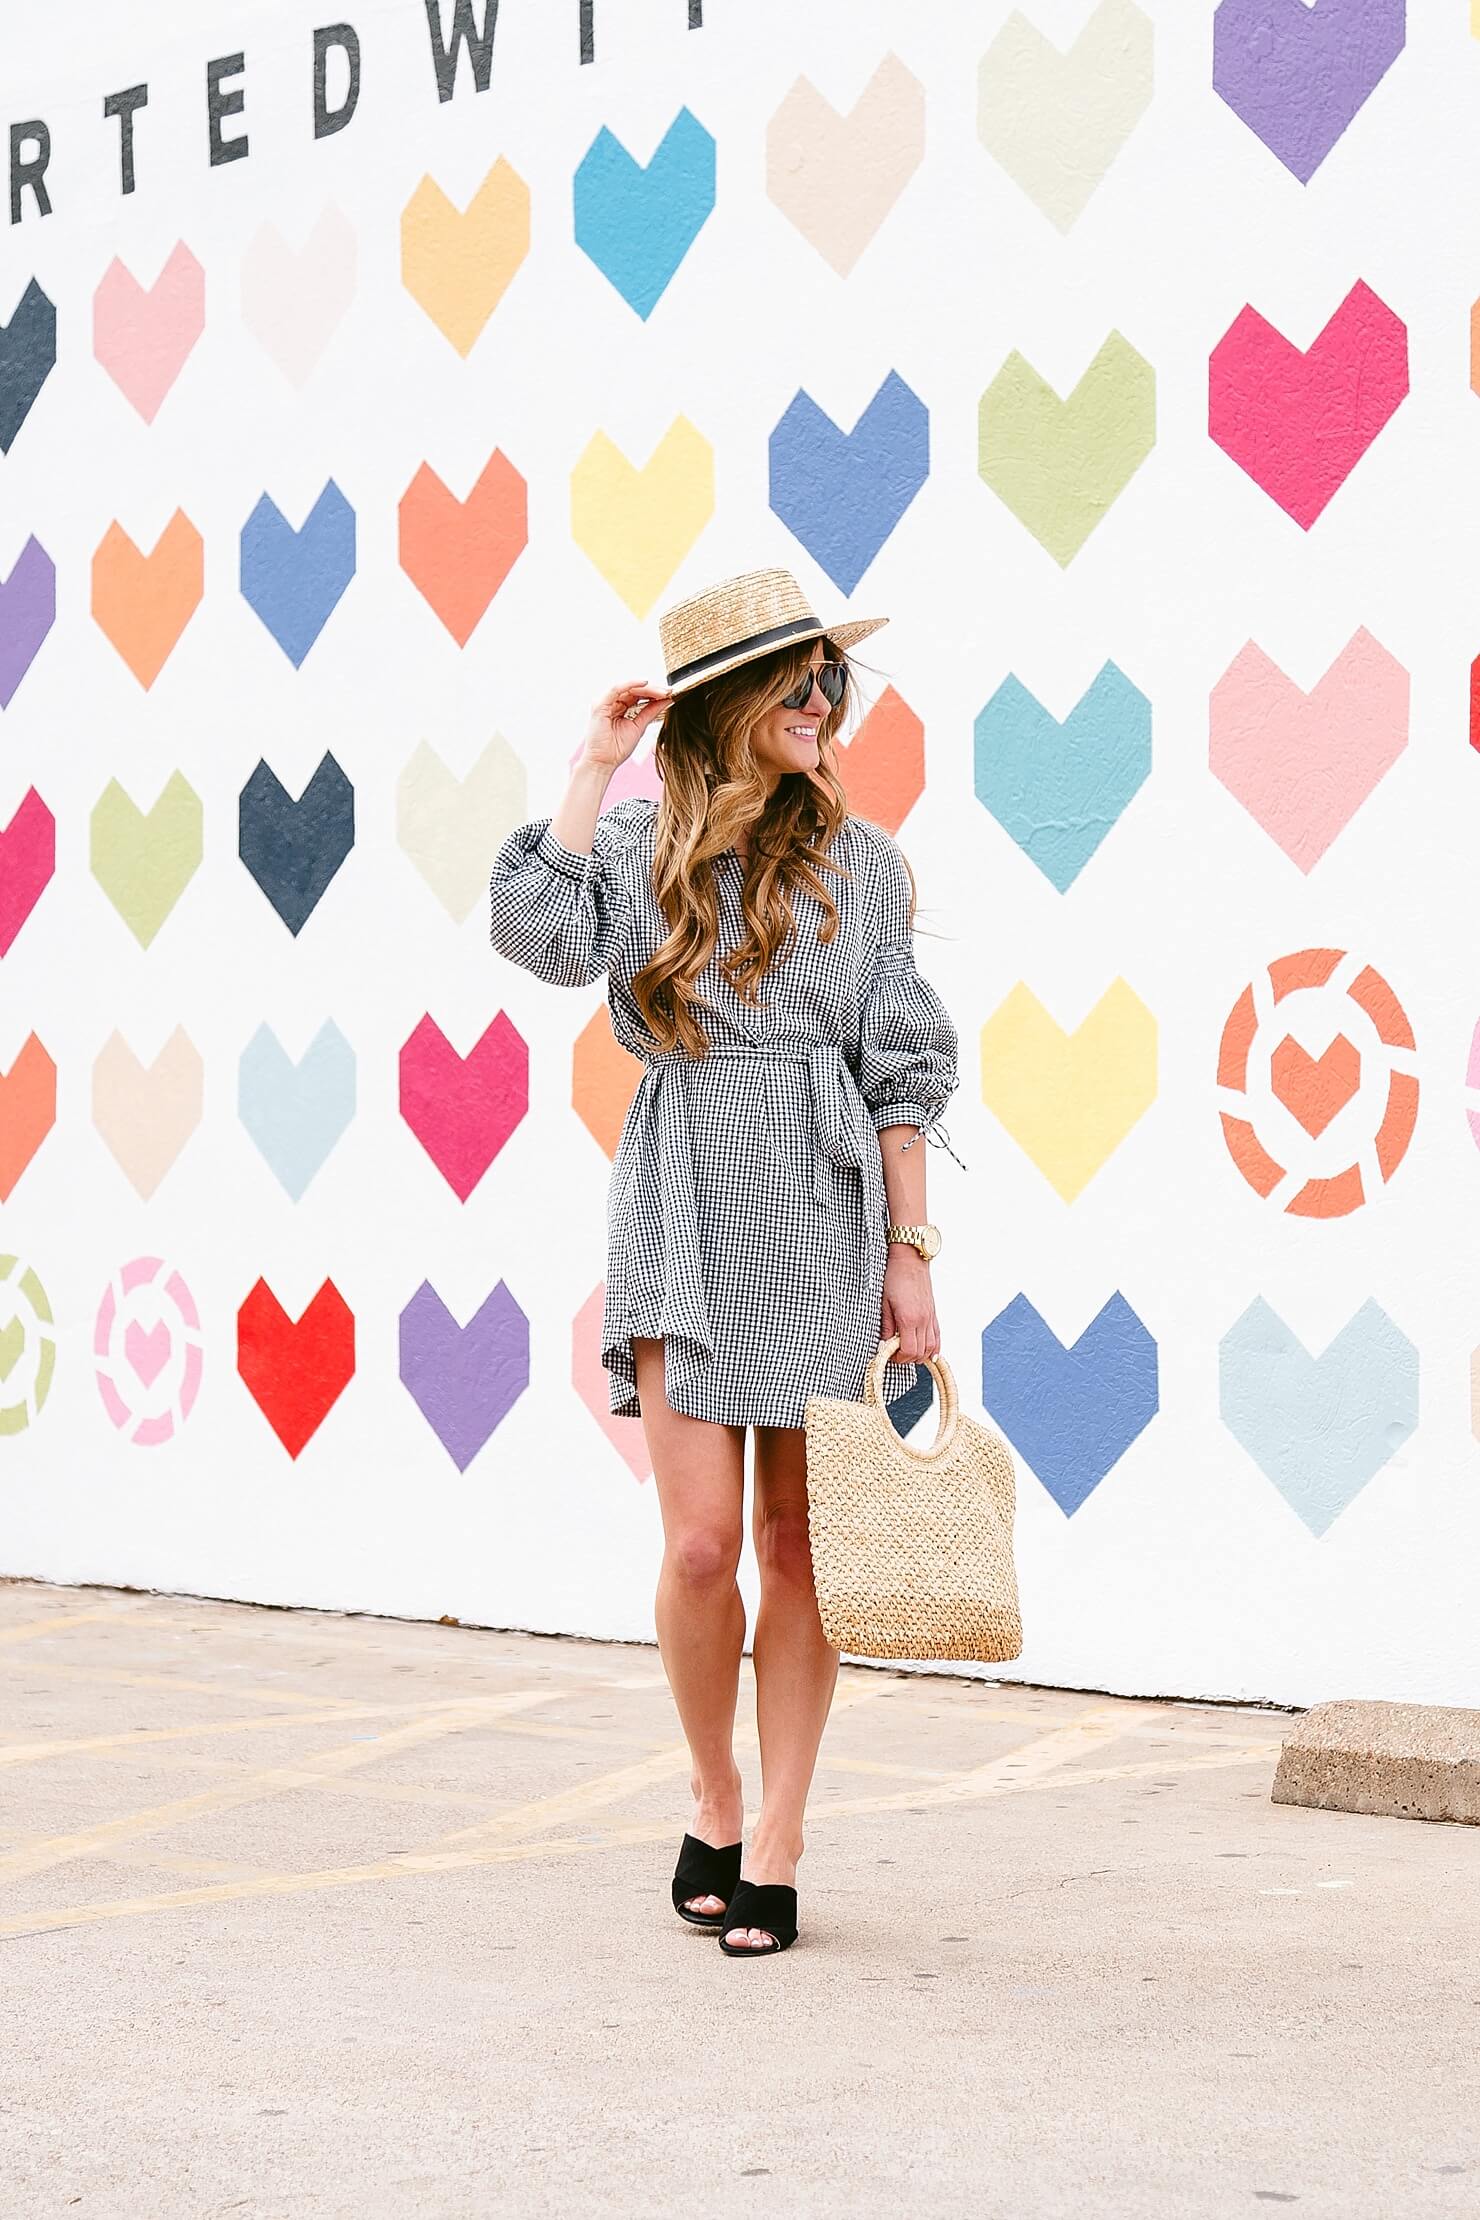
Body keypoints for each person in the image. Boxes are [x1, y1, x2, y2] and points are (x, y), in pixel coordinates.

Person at [488, 567, 962, 1958]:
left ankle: (783, 1833)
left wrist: (913, 1253)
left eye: (831, 678)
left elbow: (902, 1064)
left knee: (796, 1547)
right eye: (793, 680)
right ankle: (712, 1787)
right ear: (725, 706)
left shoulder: (865, 866)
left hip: (823, 1209)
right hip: (683, 1198)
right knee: (700, 1547)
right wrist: (592, 761)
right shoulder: (638, 854)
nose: (821, 701)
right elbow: (538, 938)